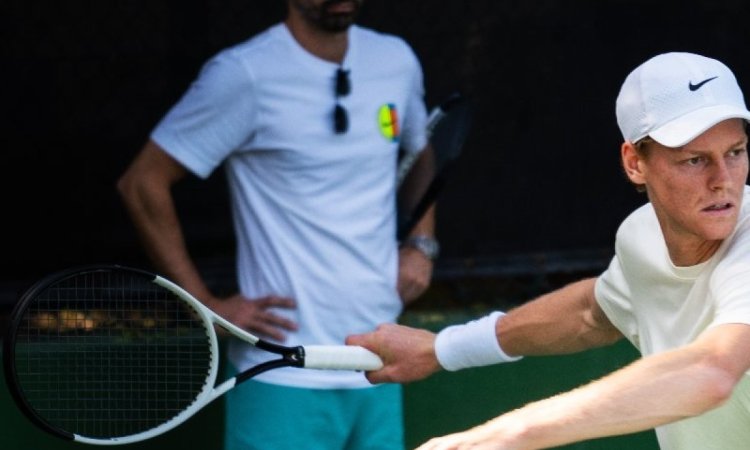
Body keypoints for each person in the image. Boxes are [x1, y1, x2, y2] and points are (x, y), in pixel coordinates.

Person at [347, 51, 750, 450]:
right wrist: (441, 349)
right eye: (694, 160)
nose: (723, 180)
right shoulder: (642, 238)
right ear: (634, 163)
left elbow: (710, 371)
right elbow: (590, 312)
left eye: (735, 152)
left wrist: (509, 433)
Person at [117, 1, 438, 449]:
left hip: (379, 360)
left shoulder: (396, 60)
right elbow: (142, 183)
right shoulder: (243, 73)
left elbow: (421, 151)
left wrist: (422, 243)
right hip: (281, 373)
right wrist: (204, 305)